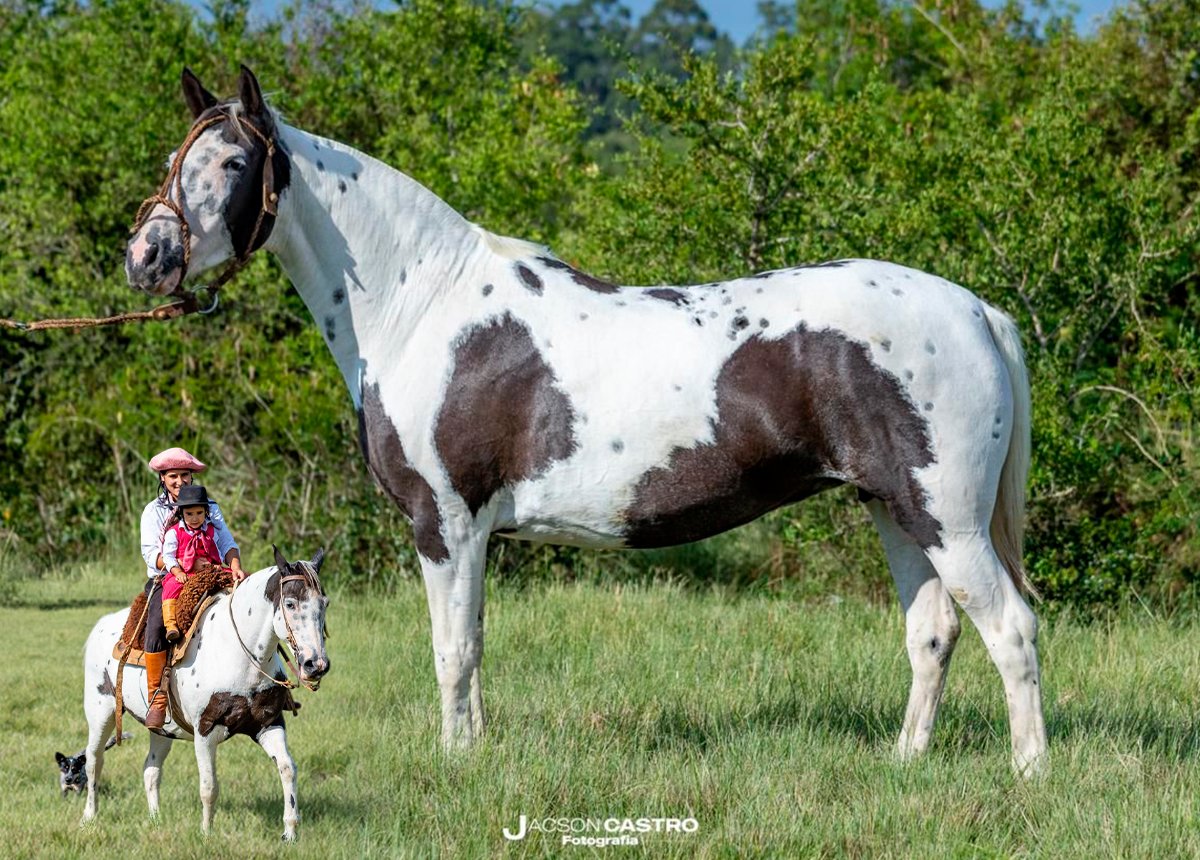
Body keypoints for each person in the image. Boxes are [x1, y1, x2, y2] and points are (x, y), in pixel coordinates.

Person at [138, 447, 243, 732]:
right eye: (173, 475)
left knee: (251, 606)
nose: (180, 481)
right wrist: (183, 566)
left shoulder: (209, 505)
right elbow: (151, 554)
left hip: (211, 572)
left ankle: (265, 680)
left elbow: (226, 542)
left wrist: (234, 565)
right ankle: (157, 698)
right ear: (162, 477)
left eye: (185, 475)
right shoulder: (154, 511)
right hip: (169, 577)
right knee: (157, 627)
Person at [159, 484, 225, 642]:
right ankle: (171, 625)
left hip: (208, 570)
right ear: (181, 513)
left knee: (234, 580)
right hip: (184, 572)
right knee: (171, 587)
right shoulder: (174, 532)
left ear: (206, 512)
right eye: (189, 514)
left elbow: (218, 551)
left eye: (199, 513)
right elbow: (168, 556)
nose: (195, 518)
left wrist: (216, 564)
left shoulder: (210, 531)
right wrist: (178, 571)